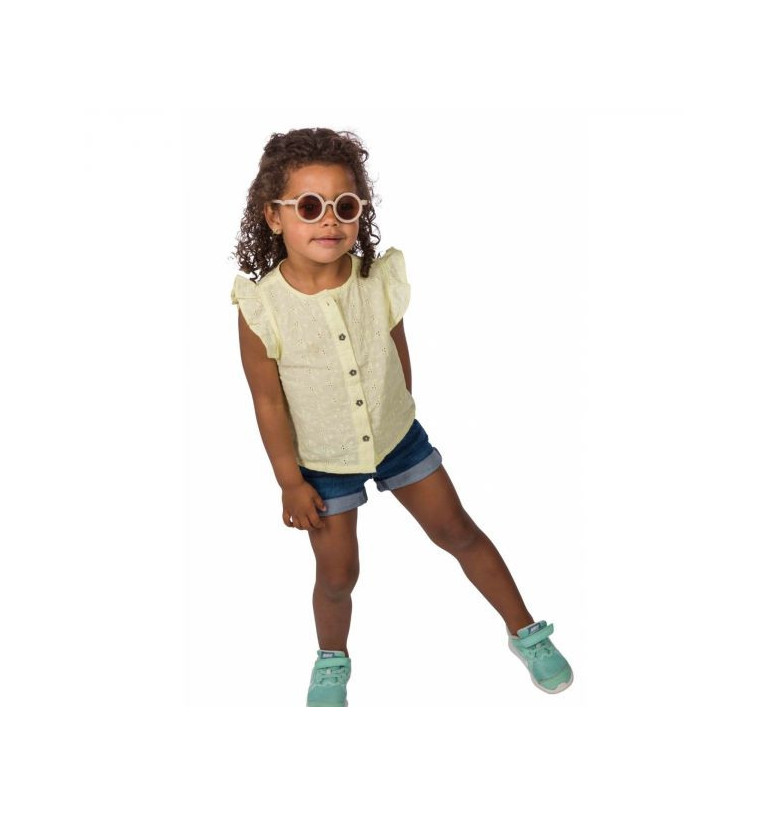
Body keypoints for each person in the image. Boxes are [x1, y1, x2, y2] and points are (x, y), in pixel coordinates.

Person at [231, 127, 573, 706]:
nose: (329, 220)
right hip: (322, 463)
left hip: (398, 440)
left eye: (345, 206)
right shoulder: (260, 307)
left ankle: (525, 630)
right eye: (309, 207)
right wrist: (290, 481)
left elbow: (395, 349)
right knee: (337, 576)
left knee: (458, 531)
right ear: (273, 216)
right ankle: (332, 659)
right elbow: (267, 400)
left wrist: (399, 411)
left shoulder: (377, 279)